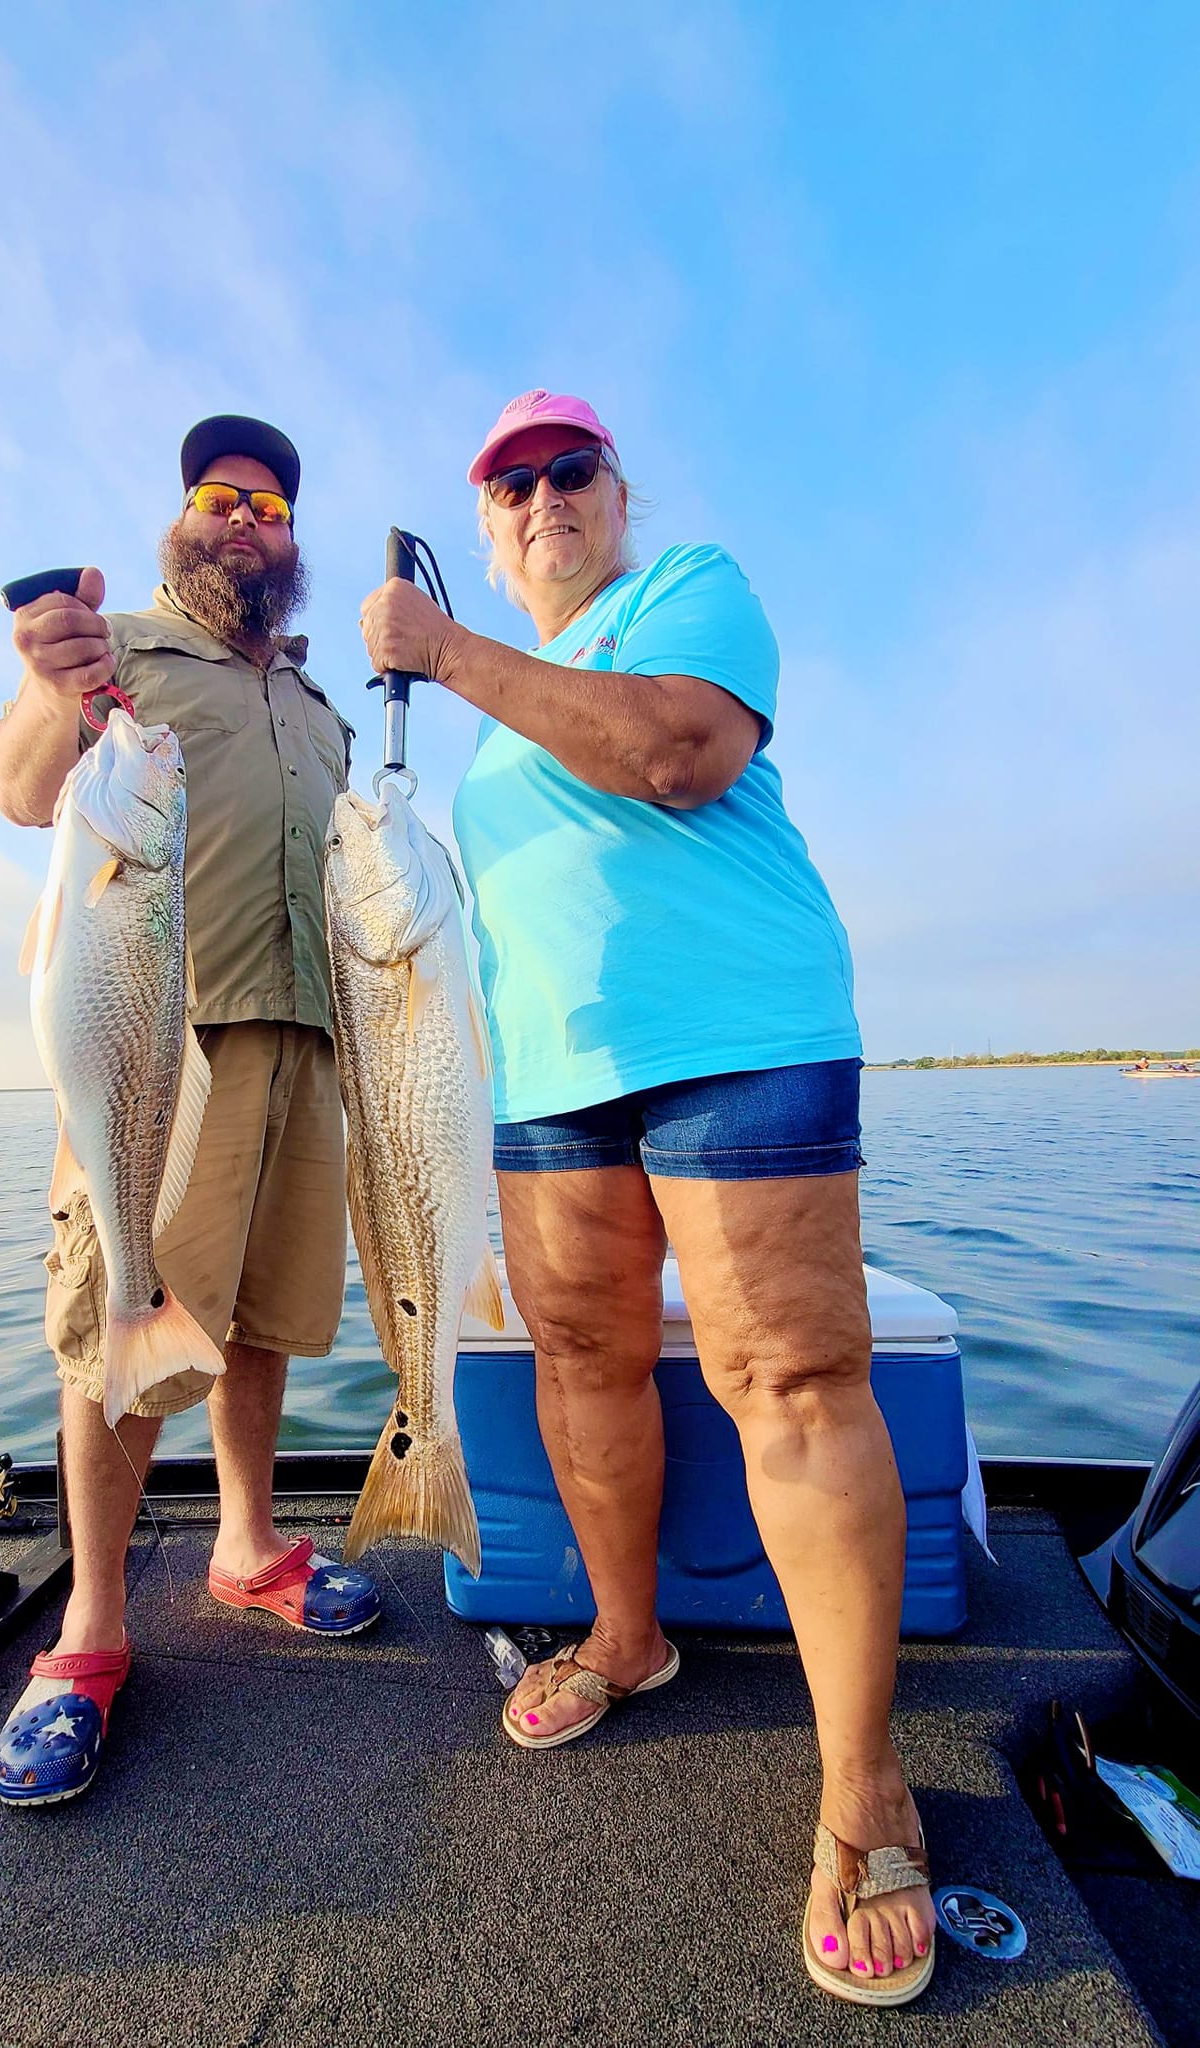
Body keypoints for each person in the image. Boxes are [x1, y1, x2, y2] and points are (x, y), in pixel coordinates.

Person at [358, 389, 936, 2006]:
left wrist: (442, 650)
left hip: (737, 1036)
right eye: (508, 485)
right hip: (548, 1075)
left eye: (569, 471)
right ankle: (627, 1637)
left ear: (617, 495)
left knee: (789, 1379)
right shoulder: (494, 733)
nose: (540, 497)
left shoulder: (688, 590)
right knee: (580, 1359)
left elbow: (677, 753)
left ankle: (866, 1785)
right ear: (483, 528)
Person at [0, 414, 380, 1806]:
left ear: (292, 539)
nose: (243, 519)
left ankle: (247, 1541)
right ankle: (91, 1625)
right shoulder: (120, 656)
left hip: (310, 1044)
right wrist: (50, 686)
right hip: (163, 1043)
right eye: (220, 496)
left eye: (269, 506)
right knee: (121, 1313)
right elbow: (21, 787)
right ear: (181, 516)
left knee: (262, 1320)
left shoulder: (323, 708)